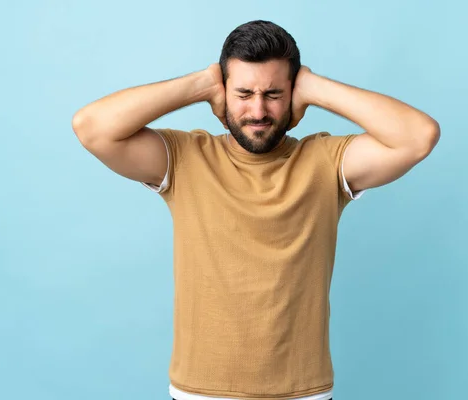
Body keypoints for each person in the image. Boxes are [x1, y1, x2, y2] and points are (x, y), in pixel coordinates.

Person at [72, 19, 440, 400]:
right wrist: (200, 84)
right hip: (201, 392)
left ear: (293, 93)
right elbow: (92, 128)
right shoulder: (185, 159)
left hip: (302, 393)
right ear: (224, 92)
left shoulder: (326, 162)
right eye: (244, 93)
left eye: (274, 93)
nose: (258, 110)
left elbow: (417, 137)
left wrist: (316, 87)